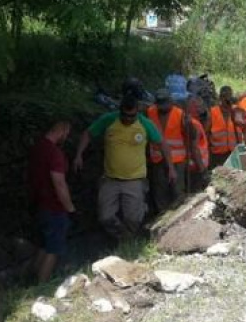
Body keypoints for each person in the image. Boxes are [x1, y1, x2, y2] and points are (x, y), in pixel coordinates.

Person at [74, 95, 175, 241]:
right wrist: (79, 155)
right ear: (120, 111)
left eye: (132, 116)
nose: (128, 119)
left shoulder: (144, 123)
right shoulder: (109, 120)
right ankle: (122, 236)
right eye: (125, 115)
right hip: (110, 179)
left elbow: (162, 144)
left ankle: (129, 240)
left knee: (133, 219)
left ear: (137, 112)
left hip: (135, 179)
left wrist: (170, 167)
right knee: (105, 217)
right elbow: (88, 134)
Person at [28, 120, 76, 283]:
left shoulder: (37, 147)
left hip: (39, 204)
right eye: (67, 133)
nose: (67, 137)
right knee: (54, 248)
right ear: (62, 130)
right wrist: (70, 208)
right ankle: (42, 286)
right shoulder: (54, 153)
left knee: (43, 244)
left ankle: (31, 280)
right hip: (54, 206)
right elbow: (59, 183)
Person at [146, 88, 195, 211]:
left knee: (178, 191)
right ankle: (162, 216)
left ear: (170, 101)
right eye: (160, 103)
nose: (163, 107)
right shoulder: (150, 112)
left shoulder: (180, 114)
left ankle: (180, 216)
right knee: (160, 192)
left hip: (177, 160)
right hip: (158, 159)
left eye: (165, 103)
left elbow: (192, 136)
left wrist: (189, 124)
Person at [207, 86, 242, 168]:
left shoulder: (237, 111)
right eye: (224, 96)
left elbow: (244, 130)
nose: (226, 99)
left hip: (234, 152)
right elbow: (206, 132)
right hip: (217, 154)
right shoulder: (212, 112)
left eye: (228, 96)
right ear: (220, 98)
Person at [185, 96, 210, 192]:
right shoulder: (194, 124)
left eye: (201, 106)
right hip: (196, 167)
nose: (200, 109)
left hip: (194, 166)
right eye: (197, 107)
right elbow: (194, 148)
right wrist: (202, 170)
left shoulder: (192, 122)